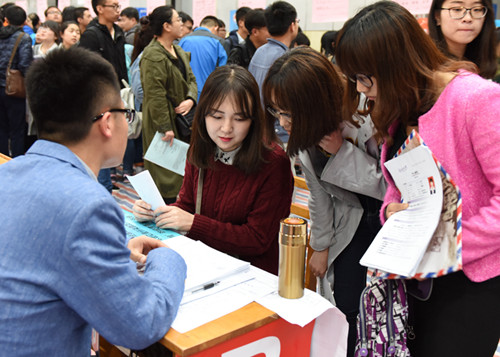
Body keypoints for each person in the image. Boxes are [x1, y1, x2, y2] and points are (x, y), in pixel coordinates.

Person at [336, 2, 500, 356]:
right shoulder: (405, 107)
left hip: (468, 284)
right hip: (414, 280)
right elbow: (397, 188)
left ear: (394, 65)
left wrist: (447, 248)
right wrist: (392, 213)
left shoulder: (475, 99)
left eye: (366, 78)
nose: (364, 91)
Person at [0, 46, 187, 355]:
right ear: (107, 122)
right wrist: (168, 260)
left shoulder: (9, 173)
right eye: (126, 113)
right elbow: (140, 324)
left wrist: (113, 258)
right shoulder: (89, 205)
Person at [263, 47, 385, 357]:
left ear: (313, 101)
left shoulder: (362, 120)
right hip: (348, 228)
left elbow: (387, 188)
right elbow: (318, 196)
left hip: (381, 222)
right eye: (277, 111)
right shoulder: (306, 134)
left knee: (370, 311)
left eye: (289, 111)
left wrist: (341, 153)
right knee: (343, 305)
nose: (283, 121)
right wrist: (319, 245)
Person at [133, 65, 293, 274]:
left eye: (239, 118)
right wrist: (157, 212)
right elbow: (189, 205)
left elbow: (257, 239)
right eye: (217, 117)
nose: (226, 128)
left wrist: (193, 224)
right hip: (205, 265)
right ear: (203, 114)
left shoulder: (272, 162)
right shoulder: (201, 150)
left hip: (252, 276)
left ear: (254, 120)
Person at [140, 6, 197, 203]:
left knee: (181, 168)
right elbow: (155, 95)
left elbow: (191, 79)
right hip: (163, 122)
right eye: (178, 20)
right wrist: (165, 127)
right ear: (166, 26)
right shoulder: (153, 55)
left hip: (182, 118)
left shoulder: (178, 50)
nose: (182, 23)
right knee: (165, 172)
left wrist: (190, 99)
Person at [80, 0, 129, 192]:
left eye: (118, 6)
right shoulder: (91, 35)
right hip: (98, 95)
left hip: (117, 91)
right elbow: (87, 68)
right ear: (99, 9)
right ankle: (101, 187)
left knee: (110, 137)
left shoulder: (118, 32)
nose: (118, 10)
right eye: (114, 6)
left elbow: (121, 64)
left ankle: (106, 182)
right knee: (98, 137)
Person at [248, 1, 299, 143]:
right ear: (292, 26)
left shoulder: (260, 51)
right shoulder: (286, 59)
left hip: (258, 129)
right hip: (279, 132)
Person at [428, 0, 497, 78]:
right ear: (437, 16)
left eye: (477, 9)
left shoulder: (485, 61)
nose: (468, 18)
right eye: (457, 9)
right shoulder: (425, 65)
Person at [0, 5, 32, 158]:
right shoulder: (23, 38)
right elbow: (25, 65)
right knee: (17, 129)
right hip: (14, 89)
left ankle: (2, 161)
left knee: (2, 128)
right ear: (24, 21)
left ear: (5, 20)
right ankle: (17, 160)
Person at [179, 15, 227, 100]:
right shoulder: (219, 42)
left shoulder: (183, 41)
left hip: (186, 94)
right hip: (209, 94)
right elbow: (222, 72)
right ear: (216, 28)